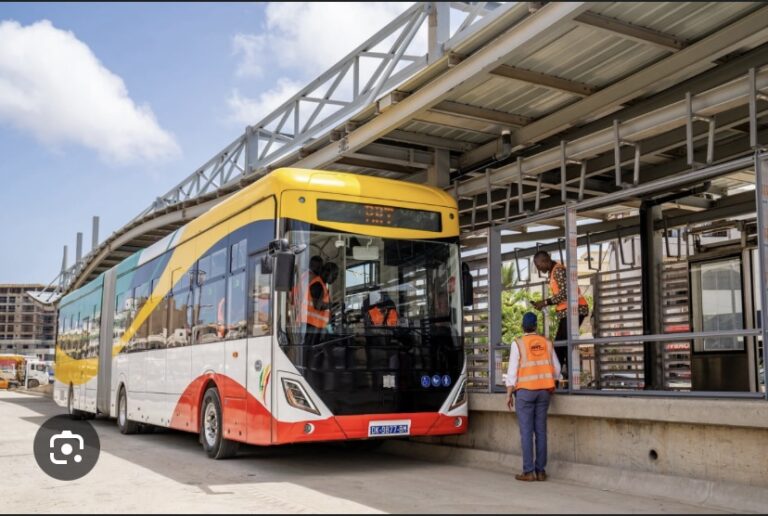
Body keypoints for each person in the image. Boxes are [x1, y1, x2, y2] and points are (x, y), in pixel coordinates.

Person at [506, 312, 561, 482]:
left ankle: (528, 471)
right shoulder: (546, 343)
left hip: (525, 393)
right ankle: (541, 471)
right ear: (536, 326)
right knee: (541, 431)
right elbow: (557, 369)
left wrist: (509, 393)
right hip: (544, 391)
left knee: (526, 432)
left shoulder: (518, 343)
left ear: (523, 326)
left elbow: (512, 371)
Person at [530, 250, 589, 373]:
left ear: (544, 261)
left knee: (562, 344)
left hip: (574, 310)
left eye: (538, 265)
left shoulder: (558, 271)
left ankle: (565, 377)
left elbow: (565, 293)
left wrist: (545, 302)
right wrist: (544, 303)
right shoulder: (554, 272)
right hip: (568, 311)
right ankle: (563, 375)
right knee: (561, 345)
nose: (538, 268)